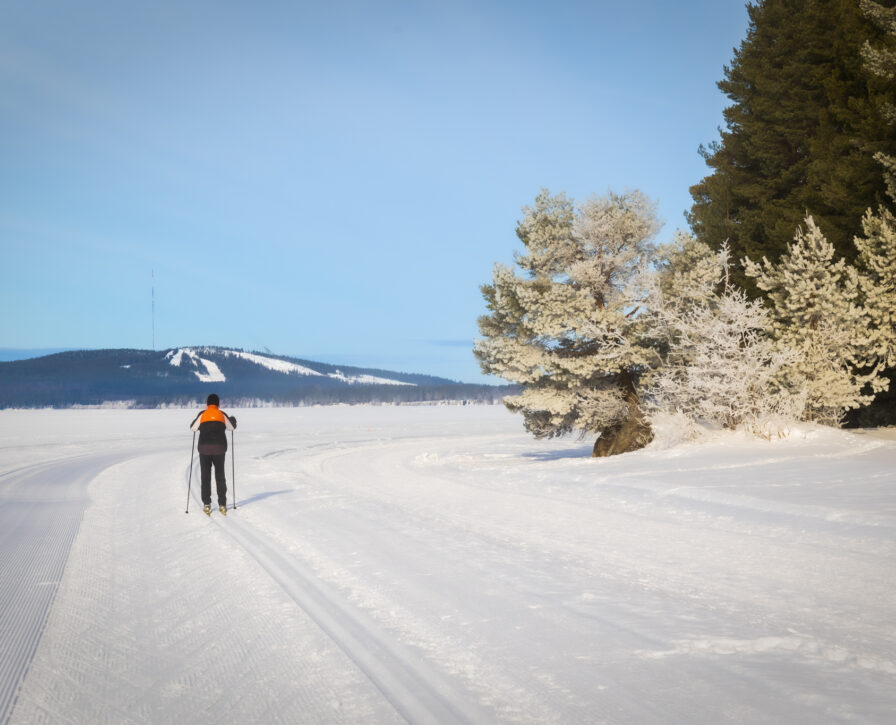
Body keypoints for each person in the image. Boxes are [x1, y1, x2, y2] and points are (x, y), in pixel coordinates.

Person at [190, 393, 237, 516]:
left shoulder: (202, 415)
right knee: (220, 476)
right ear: (218, 404)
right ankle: (222, 504)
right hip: (219, 449)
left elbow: (192, 428)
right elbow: (232, 427)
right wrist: (232, 419)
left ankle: (206, 503)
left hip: (204, 449)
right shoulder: (221, 414)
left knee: (205, 477)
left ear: (207, 404)